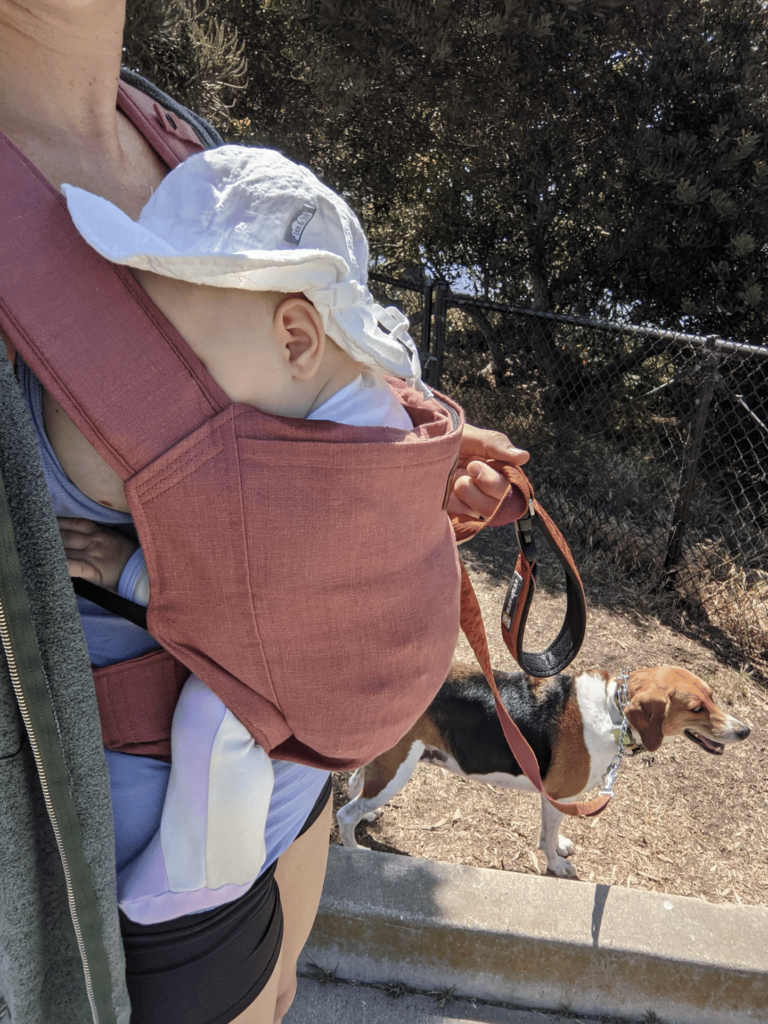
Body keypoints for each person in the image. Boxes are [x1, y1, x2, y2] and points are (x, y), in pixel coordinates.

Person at [0, 3, 529, 1023]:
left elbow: (297, 451)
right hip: (140, 927)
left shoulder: (175, 136)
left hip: (274, 837)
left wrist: (396, 482)